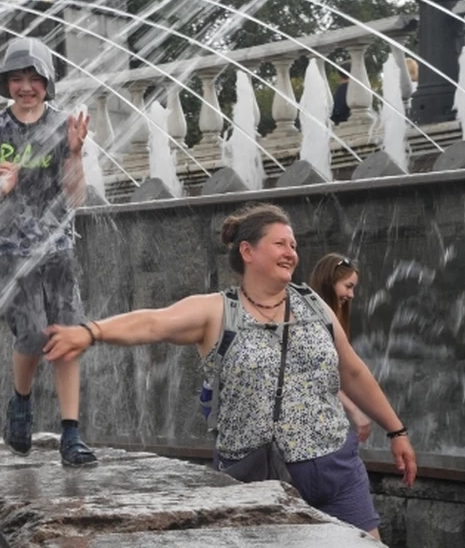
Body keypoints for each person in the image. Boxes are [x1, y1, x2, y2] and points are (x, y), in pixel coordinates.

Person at [44, 204, 416, 539]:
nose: (292, 253)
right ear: (247, 251)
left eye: (294, 246)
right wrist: (91, 332)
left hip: (335, 467)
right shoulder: (217, 312)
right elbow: (154, 323)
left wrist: (396, 429)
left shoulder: (313, 303)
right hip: (257, 478)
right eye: (281, 244)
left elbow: (351, 371)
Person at [0, 36, 96, 468]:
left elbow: (76, 199)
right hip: (8, 248)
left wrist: (74, 154)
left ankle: (71, 434)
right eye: (17, 79)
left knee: (67, 336)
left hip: (57, 246)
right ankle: (20, 403)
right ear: (6, 84)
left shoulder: (62, 127)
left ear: (47, 83)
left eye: (33, 79)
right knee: (34, 335)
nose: (25, 87)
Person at [310, 254, 372, 443]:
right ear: (329, 282)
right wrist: (355, 411)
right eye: (348, 286)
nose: (351, 295)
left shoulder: (327, 321)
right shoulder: (311, 322)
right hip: (315, 429)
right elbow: (319, 375)